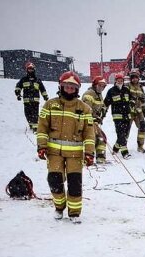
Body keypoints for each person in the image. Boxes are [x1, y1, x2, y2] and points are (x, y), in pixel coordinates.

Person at [36, 71, 95, 224]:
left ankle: (74, 213)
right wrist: (41, 146)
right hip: (54, 152)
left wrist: (89, 153)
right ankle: (59, 206)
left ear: (77, 89)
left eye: (72, 87)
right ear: (61, 87)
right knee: (54, 181)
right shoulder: (50, 105)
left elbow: (89, 133)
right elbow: (42, 128)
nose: (69, 90)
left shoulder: (85, 109)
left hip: (75, 154)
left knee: (75, 183)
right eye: (66, 87)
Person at [103, 73, 133, 159]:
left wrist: (132, 103)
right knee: (121, 134)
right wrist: (103, 113)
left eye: (121, 80)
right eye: (118, 80)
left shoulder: (126, 90)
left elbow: (131, 99)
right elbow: (106, 103)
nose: (120, 82)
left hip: (127, 116)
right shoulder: (111, 91)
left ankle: (116, 148)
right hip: (117, 116)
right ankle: (125, 152)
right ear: (115, 81)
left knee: (125, 134)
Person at [14, 62, 49, 133]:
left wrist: (45, 96)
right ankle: (31, 124)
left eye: (32, 69)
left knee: (35, 114)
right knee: (27, 114)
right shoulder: (23, 79)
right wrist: (18, 94)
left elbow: (42, 89)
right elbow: (18, 87)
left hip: (35, 101)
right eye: (29, 69)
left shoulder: (37, 80)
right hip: (26, 101)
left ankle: (36, 127)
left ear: (34, 70)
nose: (31, 70)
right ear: (27, 70)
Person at [82, 76, 109, 164]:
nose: (101, 88)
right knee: (93, 138)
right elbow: (87, 110)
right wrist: (94, 118)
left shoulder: (99, 94)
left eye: (103, 86)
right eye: (99, 85)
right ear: (95, 85)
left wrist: (103, 111)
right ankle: (88, 158)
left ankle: (100, 158)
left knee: (101, 138)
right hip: (86, 122)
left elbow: (100, 106)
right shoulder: (89, 94)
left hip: (94, 122)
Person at [127, 69, 145, 153]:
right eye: (133, 77)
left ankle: (140, 146)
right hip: (129, 112)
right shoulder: (127, 86)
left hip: (139, 112)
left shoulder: (141, 88)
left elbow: (142, 100)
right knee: (126, 130)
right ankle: (122, 146)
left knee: (143, 127)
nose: (134, 79)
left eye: (136, 77)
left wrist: (144, 109)